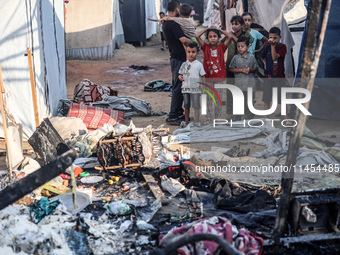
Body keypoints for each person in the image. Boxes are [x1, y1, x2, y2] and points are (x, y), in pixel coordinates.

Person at [163, 1, 192, 126]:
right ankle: (173, 115)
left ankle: (178, 112)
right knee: (178, 87)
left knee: (179, 86)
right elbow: (183, 40)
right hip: (178, 58)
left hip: (176, 57)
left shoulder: (166, 22)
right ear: (176, 10)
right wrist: (195, 44)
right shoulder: (172, 24)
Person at [196, 26, 232, 123]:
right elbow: (197, 36)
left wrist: (220, 30)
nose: (212, 38)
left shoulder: (222, 47)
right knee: (208, 100)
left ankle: (218, 118)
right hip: (208, 78)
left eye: (215, 36)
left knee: (218, 99)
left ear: (218, 37)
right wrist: (206, 29)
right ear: (207, 38)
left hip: (219, 79)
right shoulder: (205, 47)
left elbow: (229, 37)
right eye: (210, 36)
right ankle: (209, 118)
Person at [260, 27, 287, 118]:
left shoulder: (282, 47)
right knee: (267, 98)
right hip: (268, 76)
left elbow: (274, 57)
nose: (272, 40)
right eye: (270, 38)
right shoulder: (267, 47)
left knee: (281, 97)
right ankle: (266, 117)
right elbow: (261, 56)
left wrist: (272, 46)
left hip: (279, 77)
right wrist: (264, 63)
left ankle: (285, 117)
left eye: (275, 38)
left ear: (280, 37)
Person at [229, 36, 258, 119]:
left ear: (248, 47)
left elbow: (256, 68)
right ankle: (238, 118)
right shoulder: (236, 57)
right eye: (238, 46)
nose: (240, 48)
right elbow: (231, 69)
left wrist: (250, 70)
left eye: (242, 46)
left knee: (249, 103)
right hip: (239, 85)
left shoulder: (252, 57)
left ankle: (249, 118)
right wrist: (241, 70)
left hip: (250, 85)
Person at [178, 43, 206, 127]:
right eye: (189, 52)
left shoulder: (199, 64)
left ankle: (197, 121)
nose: (191, 54)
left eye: (193, 52)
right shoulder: (184, 64)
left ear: (197, 53)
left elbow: (203, 76)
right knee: (186, 105)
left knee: (196, 105)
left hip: (196, 89)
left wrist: (203, 88)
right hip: (186, 88)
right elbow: (180, 74)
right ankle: (187, 121)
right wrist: (180, 77)